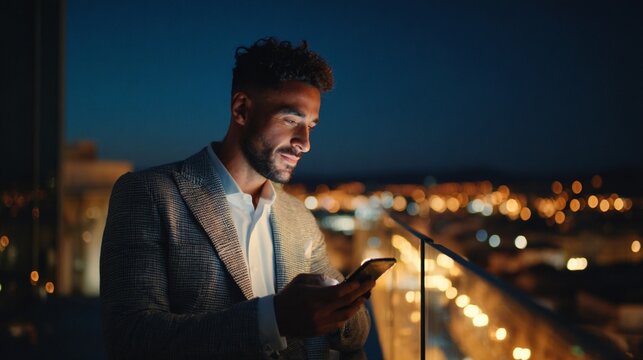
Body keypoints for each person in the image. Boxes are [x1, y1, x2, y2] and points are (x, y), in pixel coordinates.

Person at [100, 37, 374, 359]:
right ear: (241, 109)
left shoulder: (298, 217)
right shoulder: (149, 195)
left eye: (311, 126)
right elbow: (131, 339)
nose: (305, 142)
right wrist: (274, 319)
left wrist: (342, 305)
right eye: (291, 121)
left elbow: (357, 335)